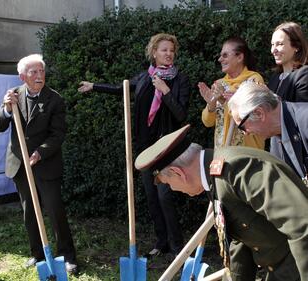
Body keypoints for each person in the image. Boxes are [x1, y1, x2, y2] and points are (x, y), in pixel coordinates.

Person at [135, 124, 308, 281]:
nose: (171, 189)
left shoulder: (238, 168)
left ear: (178, 172)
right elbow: (242, 238)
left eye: (167, 183)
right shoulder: (214, 177)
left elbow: (302, 224)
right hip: (283, 267)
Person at [78, 33, 190, 257]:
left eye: (171, 50)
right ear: (154, 53)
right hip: (146, 147)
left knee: (165, 197)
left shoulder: (180, 80)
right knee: (151, 197)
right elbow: (122, 88)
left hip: (168, 148)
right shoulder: (145, 77)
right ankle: (161, 242)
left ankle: (178, 247)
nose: (168, 54)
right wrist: (95, 86)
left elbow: (180, 114)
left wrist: (165, 91)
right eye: (164, 50)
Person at [0, 54, 78, 274]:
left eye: (42, 71)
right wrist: (8, 110)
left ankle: (68, 256)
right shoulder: (14, 96)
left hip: (45, 164)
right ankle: (38, 254)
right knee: (30, 212)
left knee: (55, 210)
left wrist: (40, 153)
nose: (40, 75)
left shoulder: (54, 99)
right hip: (20, 164)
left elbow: (58, 134)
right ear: (22, 76)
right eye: (34, 72)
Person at [228, 82, 308, 186]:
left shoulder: (305, 118)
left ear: (259, 113)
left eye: (242, 127)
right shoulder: (275, 137)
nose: (245, 133)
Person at [198, 37, 264, 148]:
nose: (219, 59)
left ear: (239, 57)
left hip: (247, 155)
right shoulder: (219, 83)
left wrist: (229, 102)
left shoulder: (254, 81)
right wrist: (211, 104)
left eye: (225, 55)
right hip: (223, 155)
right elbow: (207, 122)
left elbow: (258, 117)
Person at [268, 22, 308, 102]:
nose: (273, 50)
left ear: (296, 46)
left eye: (279, 44)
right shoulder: (274, 77)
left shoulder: (304, 75)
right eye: (272, 44)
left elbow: (302, 110)